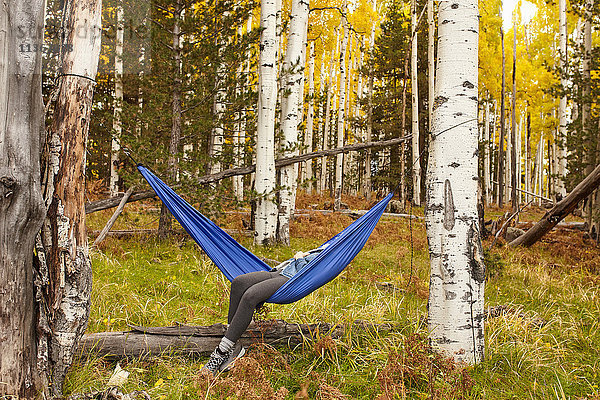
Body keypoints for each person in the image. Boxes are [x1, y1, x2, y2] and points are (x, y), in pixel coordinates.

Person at [200, 244, 328, 376]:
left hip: (290, 280)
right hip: (277, 272)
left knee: (250, 296)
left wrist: (300, 256)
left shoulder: (333, 253)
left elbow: (308, 272)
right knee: (238, 283)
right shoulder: (325, 246)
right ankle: (234, 346)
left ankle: (220, 353)